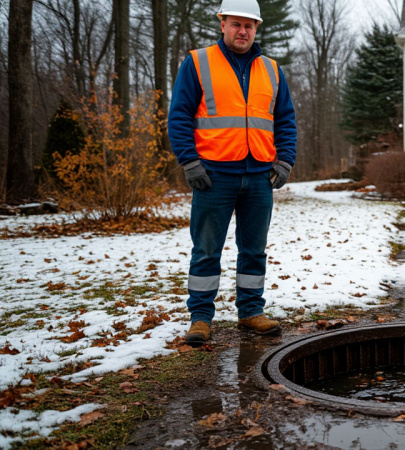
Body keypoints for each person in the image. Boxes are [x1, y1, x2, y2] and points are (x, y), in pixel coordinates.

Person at [168, 0, 297, 347]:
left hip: (259, 176)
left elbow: (284, 119)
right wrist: (189, 162)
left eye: (249, 26)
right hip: (213, 175)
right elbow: (179, 115)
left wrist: (285, 160)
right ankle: (200, 319)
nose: (243, 31)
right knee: (207, 249)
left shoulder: (271, 68)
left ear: (256, 29)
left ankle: (251, 312)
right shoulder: (198, 62)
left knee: (253, 250)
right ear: (222, 23)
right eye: (237, 24)